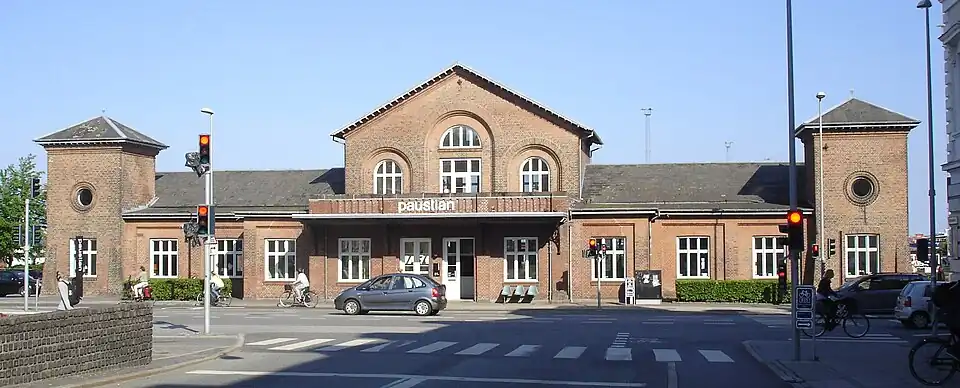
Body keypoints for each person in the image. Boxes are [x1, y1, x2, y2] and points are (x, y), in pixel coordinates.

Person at [933, 280, 960, 359]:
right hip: (953, 318)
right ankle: (954, 351)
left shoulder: (955, 286)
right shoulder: (957, 289)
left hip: (949, 315)